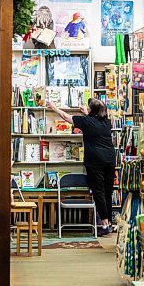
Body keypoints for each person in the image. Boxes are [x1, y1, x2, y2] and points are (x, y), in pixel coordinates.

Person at [46, 98, 116, 236]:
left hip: (95, 160)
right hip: (110, 159)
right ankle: (110, 223)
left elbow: (66, 117)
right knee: (108, 191)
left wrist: (54, 107)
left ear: (92, 111)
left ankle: (104, 222)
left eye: (89, 108)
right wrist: (86, 113)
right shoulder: (107, 122)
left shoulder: (87, 122)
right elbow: (93, 121)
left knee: (98, 191)